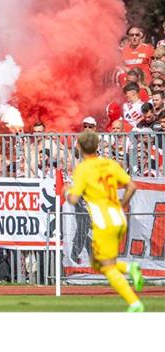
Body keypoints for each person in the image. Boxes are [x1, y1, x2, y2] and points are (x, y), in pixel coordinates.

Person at [66, 131, 145, 312]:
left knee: (107, 267)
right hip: (118, 217)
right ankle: (129, 267)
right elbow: (131, 185)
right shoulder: (110, 163)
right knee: (96, 262)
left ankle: (134, 303)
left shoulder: (83, 169)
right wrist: (122, 204)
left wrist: (65, 191)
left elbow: (73, 199)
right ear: (97, 146)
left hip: (104, 222)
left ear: (79, 147)